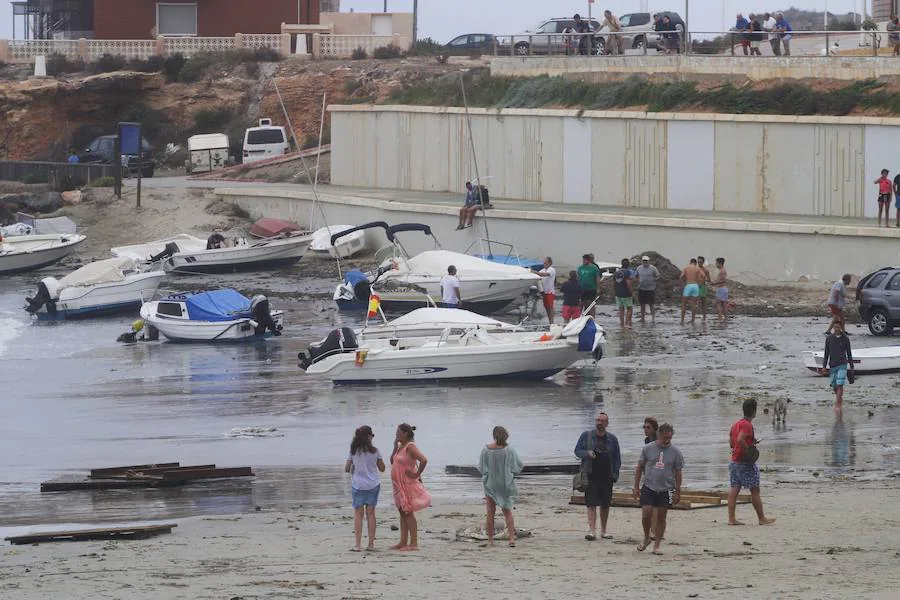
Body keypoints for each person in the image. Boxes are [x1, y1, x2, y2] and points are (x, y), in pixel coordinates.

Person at [633, 423, 684, 555]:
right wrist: (636, 486)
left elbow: (678, 472)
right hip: (649, 486)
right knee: (646, 514)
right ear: (659, 435)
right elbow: (639, 467)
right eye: (664, 438)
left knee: (662, 516)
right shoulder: (648, 449)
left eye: (669, 438)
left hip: (666, 488)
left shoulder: (676, 452)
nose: (667, 441)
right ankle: (646, 537)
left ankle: (657, 545)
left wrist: (678, 491)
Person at [727, 399, 776, 526]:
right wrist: (748, 451)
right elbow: (740, 439)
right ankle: (761, 518)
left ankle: (731, 519)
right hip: (745, 462)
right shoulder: (747, 425)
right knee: (755, 489)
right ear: (754, 411)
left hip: (734, 462)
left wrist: (750, 441)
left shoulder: (736, 423)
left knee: (734, 489)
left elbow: (732, 441)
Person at [574, 412, 621, 541]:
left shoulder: (612, 439)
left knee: (605, 505)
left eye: (602, 421)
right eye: (598, 420)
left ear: (607, 423)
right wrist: (587, 453)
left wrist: (615, 475)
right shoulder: (586, 436)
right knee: (591, 504)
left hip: (607, 476)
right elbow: (577, 451)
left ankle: (604, 531)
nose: (599, 423)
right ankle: (592, 531)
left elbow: (617, 458)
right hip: (590, 475)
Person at [478, 426, 524, 547]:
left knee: (490, 512)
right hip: (505, 483)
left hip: (490, 483)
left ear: (494, 435)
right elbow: (518, 466)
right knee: (507, 511)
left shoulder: (486, 450)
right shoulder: (509, 450)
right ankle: (512, 539)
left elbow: (482, 468)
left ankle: (490, 540)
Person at [390, 423, 430, 550]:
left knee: (408, 512)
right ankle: (403, 541)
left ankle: (414, 543)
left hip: (407, 484)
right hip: (398, 484)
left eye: (398, 432)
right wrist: (394, 446)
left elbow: (423, 460)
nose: (396, 434)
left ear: (405, 433)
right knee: (402, 511)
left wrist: (416, 474)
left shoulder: (410, 447)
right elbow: (392, 461)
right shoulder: (400, 447)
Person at [345, 425, 386, 552]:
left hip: (358, 485)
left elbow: (347, 468)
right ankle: (371, 544)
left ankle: (357, 545)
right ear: (368, 437)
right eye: (372, 435)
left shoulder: (353, 451)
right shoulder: (375, 451)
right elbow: (382, 468)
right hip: (373, 484)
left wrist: (354, 469)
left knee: (358, 514)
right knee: (371, 514)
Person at [821, 322, 854, 414]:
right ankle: (839, 398)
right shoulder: (829, 339)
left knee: (840, 384)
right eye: (834, 327)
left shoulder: (845, 339)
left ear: (841, 328)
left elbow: (849, 353)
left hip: (842, 364)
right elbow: (826, 353)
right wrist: (824, 366)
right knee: (834, 386)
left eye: (838, 327)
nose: (836, 329)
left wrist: (851, 366)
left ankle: (838, 403)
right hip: (832, 365)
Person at [679, 258, 706, 325]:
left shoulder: (686, 268)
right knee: (694, 304)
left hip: (688, 285)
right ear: (695, 263)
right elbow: (704, 276)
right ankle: (693, 320)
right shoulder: (697, 268)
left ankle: (682, 320)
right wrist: (700, 284)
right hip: (695, 286)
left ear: (690, 262)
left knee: (684, 304)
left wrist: (681, 284)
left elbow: (681, 276)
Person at [635, 255, 659, 324]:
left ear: (648, 261)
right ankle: (642, 318)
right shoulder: (639, 268)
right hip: (641, 288)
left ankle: (653, 318)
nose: (645, 262)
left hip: (650, 289)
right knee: (642, 304)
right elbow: (636, 275)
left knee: (651, 304)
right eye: (643, 261)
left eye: (646, 261)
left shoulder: (653, 268)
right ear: (642, 261)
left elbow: (658, 275)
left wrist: (654, 280)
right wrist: (638, 281)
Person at [614, 258, 634, 329]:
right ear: (628, 265)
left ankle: (622, 324)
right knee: (629, 309)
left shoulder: (616, 272)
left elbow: (614, 283)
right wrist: (632, 292)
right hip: (626, 293)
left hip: (618, 293)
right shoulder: (627, 272)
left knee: (621, 309)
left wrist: (615, 291)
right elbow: (629, 284)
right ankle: (626, 323)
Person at [537, 257, 557, 325]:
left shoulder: (551, 270)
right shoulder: (542, 270)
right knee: (546, 307)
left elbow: (544, 275)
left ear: (550, 263)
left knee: (550, 307)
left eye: (546, 263)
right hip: (544, 292)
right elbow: (538, 275)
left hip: (550, 292)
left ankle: (552, 321)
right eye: (544, 263)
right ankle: (550, 321)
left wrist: (533, 271)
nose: (544, 264)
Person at [713, 257, 729, 322]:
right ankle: (725, 318)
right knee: (724, 304)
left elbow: (723, 281)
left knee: (718, 304)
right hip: (723, 289)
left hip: (721, 289)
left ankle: (720, 318)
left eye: (716, 263)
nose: (716, 264)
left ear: (720, 263)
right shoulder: (723, 270)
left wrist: (714, 283)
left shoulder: (722, 271)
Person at [697, 256, 711, 322]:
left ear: (703, 262)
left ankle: (704, 316)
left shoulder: (705, 270)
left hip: (702, 287)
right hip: (695, 287)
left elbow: (709, 280)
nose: (699, 263)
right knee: (694, 301)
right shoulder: (695, 269)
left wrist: (704, 279)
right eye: (698, 262)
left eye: (701, 262)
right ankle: (693, 316)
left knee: (703, 302)